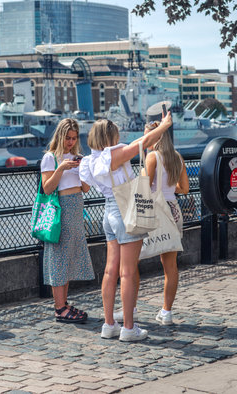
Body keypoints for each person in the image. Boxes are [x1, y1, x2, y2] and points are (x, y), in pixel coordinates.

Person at [79, 114, 172, 341]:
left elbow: (85, 187)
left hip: (109, 211)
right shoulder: (113, 155)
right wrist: (166, 125)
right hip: (126, 209)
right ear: (110, 137)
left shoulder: (90, 161)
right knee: (128, 272)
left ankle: (109, 324)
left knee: (111, 270)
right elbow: (143, 144)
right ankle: (129, 328)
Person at [40, 118, 95, 323]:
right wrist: (61, 168)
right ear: (60, 136)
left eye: (73, 138)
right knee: (58, 258)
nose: (70, 142)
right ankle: (59, 307)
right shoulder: (50, 158)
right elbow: (47, 188)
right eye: (67, 138)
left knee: (68, 257)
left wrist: (82, 169)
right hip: (60, 211)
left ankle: (64, 303)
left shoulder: (75, 157)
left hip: (76, 209)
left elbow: (86, 188)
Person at [144, 120, 189, 325]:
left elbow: (145, 188)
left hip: (155, 212)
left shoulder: (152, 157)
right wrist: (168, 190)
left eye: (146, 136)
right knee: (170, 266)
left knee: (130, 261)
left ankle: (130, 308)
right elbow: (184, 188)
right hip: (174, 210)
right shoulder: (177, 157)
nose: (144, 140)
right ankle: (167, 311)